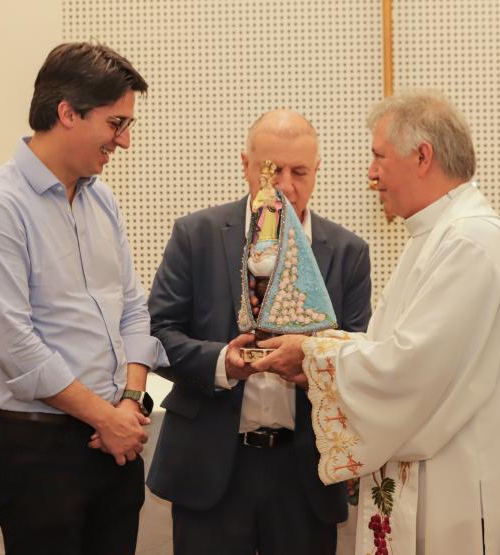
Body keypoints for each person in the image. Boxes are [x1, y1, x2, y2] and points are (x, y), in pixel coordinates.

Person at [253, 91, 500, 554]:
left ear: (422, 156)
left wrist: (313, 355)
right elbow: (398, 348)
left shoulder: (470, 242)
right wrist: (325, 351)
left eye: (378, 157)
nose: (370, 174)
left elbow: (411, 367)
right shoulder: (435, 235)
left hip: (459, 483)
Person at [0, 43, 166, 555]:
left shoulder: (102, 198)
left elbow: (133, 308)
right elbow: (14, 347)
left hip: (113, 439)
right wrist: (105, 417)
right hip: (38, 449)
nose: (126, 141)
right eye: (116, 124)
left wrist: (130, 402)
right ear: (67, 113)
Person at [146, 109, 372, 555]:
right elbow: (158, 333)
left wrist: (312, 364)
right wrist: (220, 363)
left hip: (305, 473)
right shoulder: (196, 235)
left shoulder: (348, 252)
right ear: (245, 164)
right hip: (210, 469)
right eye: (272, 170)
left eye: (299, 171)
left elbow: (359, 354)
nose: (285, 186)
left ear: (317, 170)